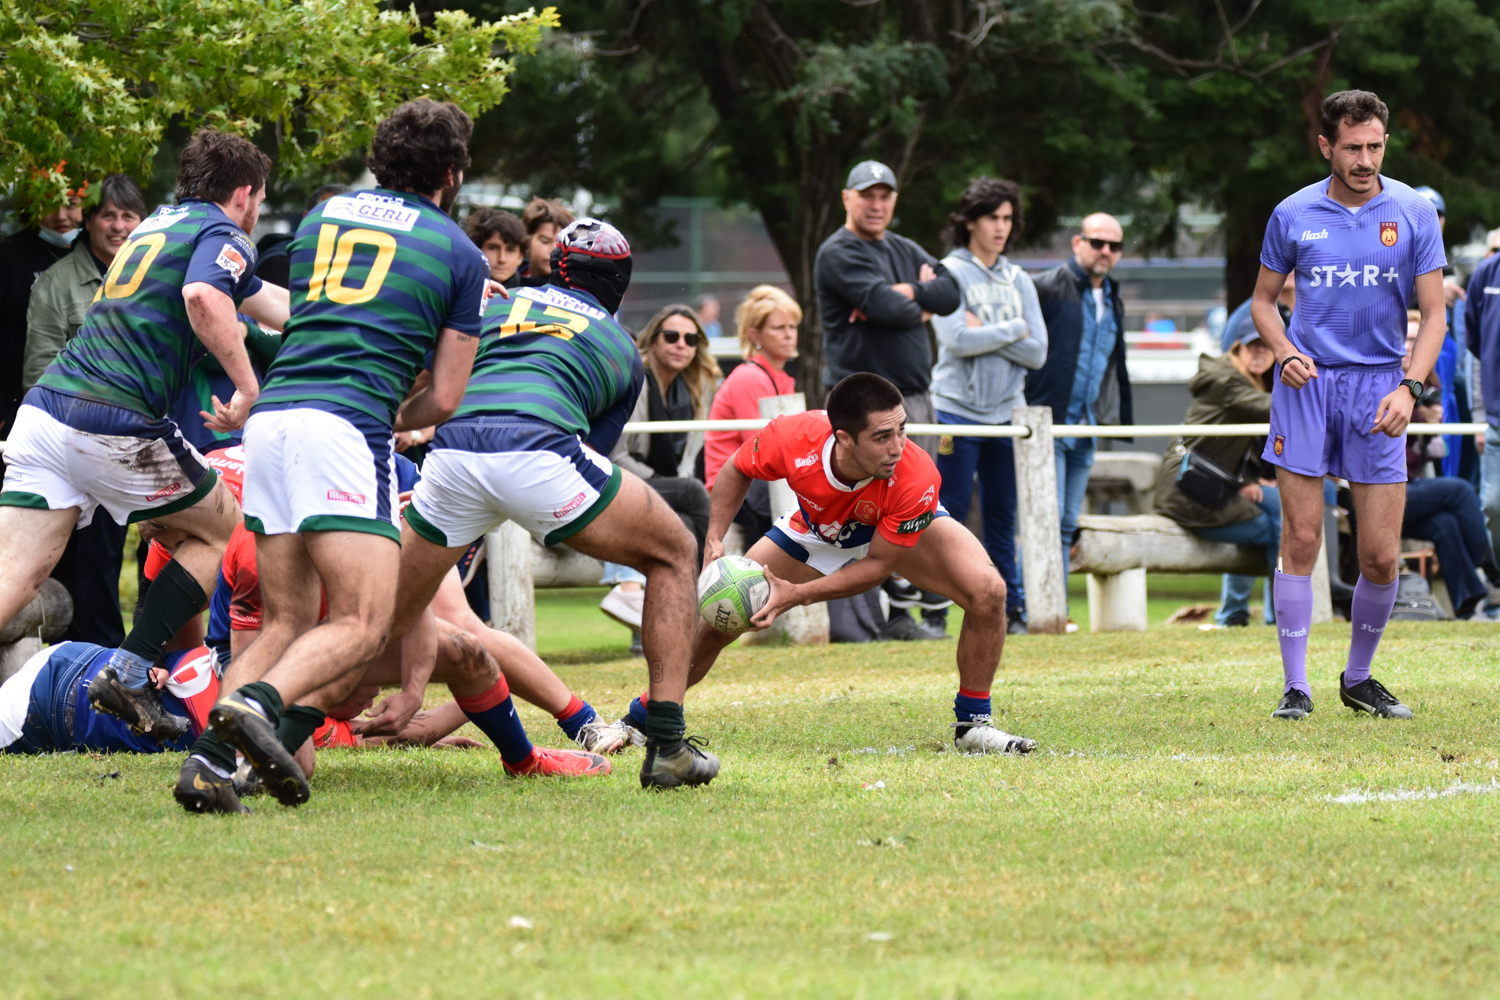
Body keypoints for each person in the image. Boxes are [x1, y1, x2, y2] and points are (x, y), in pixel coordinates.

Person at [184, 99, 490, 810]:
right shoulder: (459, 253)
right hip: (344, 429)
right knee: (361, 621)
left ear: (381, 161)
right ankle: (258, 703)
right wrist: (395, 414)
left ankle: (206, 763)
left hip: (272, 420)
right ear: (451, 173)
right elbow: (445, 398)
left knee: (288, 621)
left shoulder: (325, 218)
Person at [381, 218, 720, 790]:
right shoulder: (620, 347)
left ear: (553, 264)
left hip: (454, 454)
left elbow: (424, 382)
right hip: (539, 452)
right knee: (673, 551)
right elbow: (593, 453)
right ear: (620, 282)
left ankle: (265, 719)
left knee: (374, 621)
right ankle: (667, 745)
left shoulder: (493, 305)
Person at [0, 128, 289, 744]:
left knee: (11, 580)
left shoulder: (162, 224)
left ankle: (136, 666)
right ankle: (130, 672)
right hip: (113, 418)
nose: (258, 211)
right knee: (225, 525)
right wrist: (247, 389)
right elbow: (204, 295)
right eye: (260, 199)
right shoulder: (223, 232)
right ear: (244, 193)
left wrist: (347, 318)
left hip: (47, 410)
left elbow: (269, 306)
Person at [625, 372, 1036, 754]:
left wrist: (797, 594)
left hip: (890, 532)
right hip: (815, 531)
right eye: (881, 437)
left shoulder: (915, 474)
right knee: (716, 622)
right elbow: (737, 468)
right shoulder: (792, 436)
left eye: (902, 430)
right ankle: (640, 719)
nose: (898, 447)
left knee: (989, 591)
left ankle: (973, 725)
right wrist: (714, 538)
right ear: (843, 438)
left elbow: (877, 567)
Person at [1250, 89, 1447, 721]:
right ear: (1326, 146)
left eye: (1375, 146)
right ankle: (1295, 686)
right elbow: (1262, 302)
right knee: (1302, 537)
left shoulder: (1413, 211)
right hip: (1307, 388)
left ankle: (1358, 677)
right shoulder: (1292, 212)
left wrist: (1409, 388)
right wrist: (1282, 350)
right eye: (1352, 147)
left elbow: (1435, 315)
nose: (1365, 159)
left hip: (1380, 390)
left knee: (1381, 555)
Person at [17, 174, 146, 647]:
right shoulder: (56, 283)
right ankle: (94, 665)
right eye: (107, 216)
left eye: (127, 216)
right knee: (90, 562)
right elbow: (38, 372)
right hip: (79, 439)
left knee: (148, 553)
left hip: (146, 435)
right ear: (87, 222)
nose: (117, 226)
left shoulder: (154, 278)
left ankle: (150, 657)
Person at [930, 177, 1047, 637]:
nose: (1001, 227)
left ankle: (1010, 609)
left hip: (1007, 418)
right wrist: (1015, 330)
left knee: (1003, 515)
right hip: (955, 413)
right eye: (992, 218)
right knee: (945, 513)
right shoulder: (949, 272)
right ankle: (936, 611)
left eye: (1007, 218)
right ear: (970, 221)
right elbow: (955, 339)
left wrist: (997, 330)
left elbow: (1038, 352)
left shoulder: (1019, 279)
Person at [813, 160, 960, 458]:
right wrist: (920, 306)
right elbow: (891, 309)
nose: (876, 205)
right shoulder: (838, 252)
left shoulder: (904, 247)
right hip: (863, 405)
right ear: (846, 198)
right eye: (867, 196)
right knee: (864, 501)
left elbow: (952, 293)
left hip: (916, 400)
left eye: (885, 197)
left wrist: (908, 291)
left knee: (918, 499)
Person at [600, 305, 720, 637]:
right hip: (614, 478)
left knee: (680, 521)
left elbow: (686, 460)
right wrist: (660, 480)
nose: (681, 344)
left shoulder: (695, 389)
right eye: (671, 336)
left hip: (652, 488)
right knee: (692, 492)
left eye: (691, 339)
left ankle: (655, 628)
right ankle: (710, 585)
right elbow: (616, 455)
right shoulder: (635, 380)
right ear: (652, 341)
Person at [1029, 213, 1134, 590]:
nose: (1105, 251)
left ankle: (1053, 605)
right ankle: (1030, 604)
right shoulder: (1046, 287)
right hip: (1046, 425)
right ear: (1078, 243)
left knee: (1067, 522)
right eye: (1097, 242)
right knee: (1044, 518)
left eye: (1114, 245)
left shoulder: (1112, 296)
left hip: (1085, 427)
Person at [1154, 325, 1281, 620]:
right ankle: (1277, 617)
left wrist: (1246, 481)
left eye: (1267, 346)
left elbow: (1237, 445)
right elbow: (1276, 409)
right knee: (1283, 528)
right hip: (1190, 493)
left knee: (1290, 507)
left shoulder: (1249, 380)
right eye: (1253, 345)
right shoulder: (1227, 380)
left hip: (1216, 487)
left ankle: (1237, 613)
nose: (1260, 352)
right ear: (1237, 347)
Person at [704, 285, 801, 550]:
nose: (789, 335)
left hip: (759, 487)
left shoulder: (782, 379)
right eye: (779, 328)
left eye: (793, 327)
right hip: (736, 490)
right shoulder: (750, 377)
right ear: (755, 334)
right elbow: (763, 451)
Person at [0, 185, 85, 436]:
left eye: (70, 203)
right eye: (48, 203)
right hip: (15, 407)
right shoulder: (8, 256)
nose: (60, 216)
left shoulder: (96, 252)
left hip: (82, 409)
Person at [253, 184, 350, 290]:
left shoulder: (355, 262)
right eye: (330, 218)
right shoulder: (281, 263)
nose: (339, 227)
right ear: (307, 218)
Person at [519, 197, 575, 287]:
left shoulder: (572, 288)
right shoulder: (504, 278)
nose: (554, 251)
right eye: (545, 241)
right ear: (527, 241)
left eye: (561, 244)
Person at [466, 207, 526, 287]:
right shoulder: (460, 290)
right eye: (493, 248)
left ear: (520, 257)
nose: (502, 259)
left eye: (510, 250)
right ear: (478, 250)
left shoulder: (535, 292)